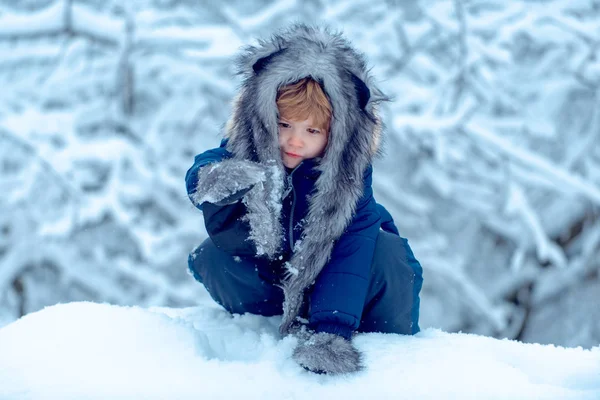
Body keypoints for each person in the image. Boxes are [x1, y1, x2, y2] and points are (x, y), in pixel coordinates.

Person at [185, 24, 423, 375]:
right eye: (284, 125)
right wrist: (217, 180)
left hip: (354, 285)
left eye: (311, 131)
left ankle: (380, 342)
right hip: (279, 279)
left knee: (387, 253)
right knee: (213, 256)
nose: (294, 141)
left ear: (337, 134)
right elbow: (207, 166)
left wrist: (331, 332)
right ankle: (267, 323)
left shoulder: (346, 179)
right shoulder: (251, 150)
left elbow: (349, 255)